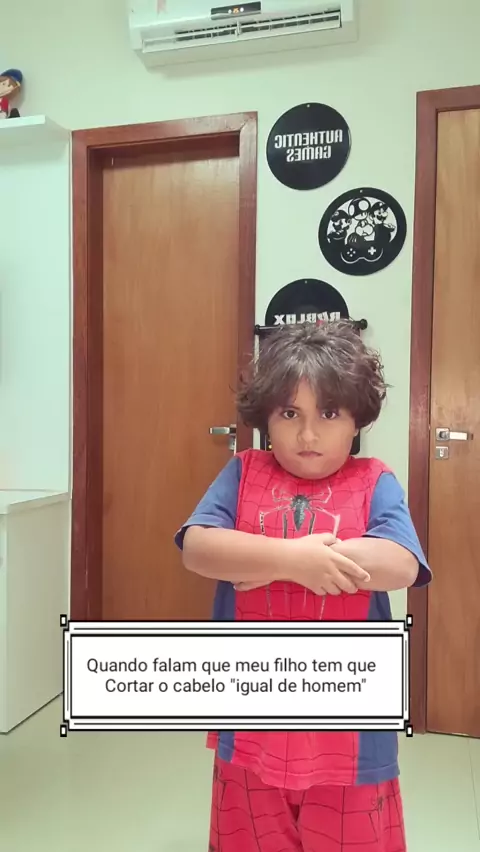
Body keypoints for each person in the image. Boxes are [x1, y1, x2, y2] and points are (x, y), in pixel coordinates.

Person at [174, 320, 431, 852]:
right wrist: (292, 560)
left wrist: (285, 561)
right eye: (290, 414)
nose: (308, 435)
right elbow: (197, 547)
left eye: (328, 414)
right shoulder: (243, 472)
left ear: (356, 419)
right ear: (267, 416)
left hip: (349, 727)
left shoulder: (374, 480)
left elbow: (401, 564)